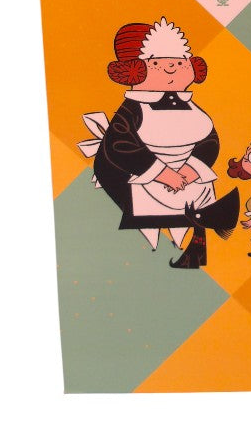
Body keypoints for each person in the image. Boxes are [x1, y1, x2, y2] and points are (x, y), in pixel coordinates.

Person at [90, 17, 238, 268]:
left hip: (191, 179)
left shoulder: (192, 106)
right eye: (157, 63)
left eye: (180, 63)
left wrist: (193, 168)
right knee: (150, 233)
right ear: (136, 70)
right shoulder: (132, 109)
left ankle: (195, 253)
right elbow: (120, 145)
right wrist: (162, 173)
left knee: (195, 220)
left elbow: (210, 140)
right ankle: (147, 262)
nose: (171, 69)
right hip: (146, 180)